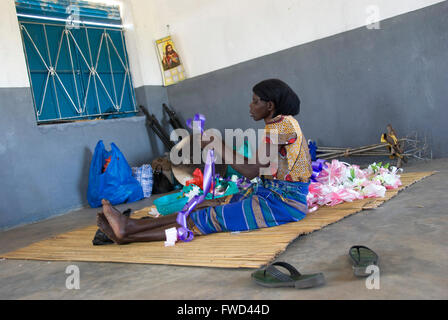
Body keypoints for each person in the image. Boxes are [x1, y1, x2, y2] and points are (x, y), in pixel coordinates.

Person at [96, 79, 313, 244]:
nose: (250, 106)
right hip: (270, 193)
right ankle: (131, 225)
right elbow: (256, 164)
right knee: (206, 203)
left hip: (284, 203)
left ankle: (127, 235)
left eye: (256, 101)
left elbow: (251, 171)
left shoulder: (282, 126)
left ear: (270, 106)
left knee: (208, 217)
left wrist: (217, 144)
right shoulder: (279, 124)